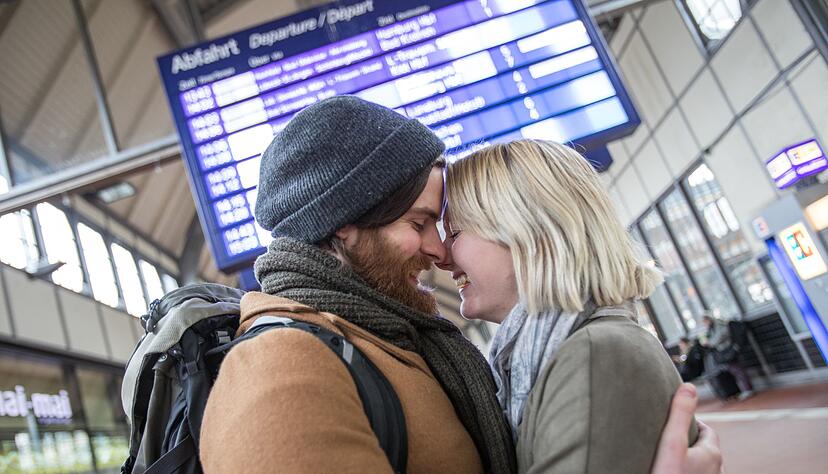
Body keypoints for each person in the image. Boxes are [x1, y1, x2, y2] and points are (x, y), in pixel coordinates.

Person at [199, 96, 720, 473]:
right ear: (344, 226)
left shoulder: (384, 341)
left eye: (448, 228)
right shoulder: (283, 367)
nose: (439, 251)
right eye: (419, 224)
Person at [440, 139, 702, 473]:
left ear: (530, 230)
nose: (443, 257)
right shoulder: (556, 354)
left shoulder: (594, 355)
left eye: (455, 232)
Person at [703, 313, 754, 399]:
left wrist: (710, 343)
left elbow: (721, 336)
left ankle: (747, 389)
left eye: (705, 322)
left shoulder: (719, 324)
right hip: (725, 351)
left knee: (737, 369)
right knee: (735, 370)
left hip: (728, 350)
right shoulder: (712, 327)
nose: (705, 324)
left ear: (708, 320)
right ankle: (745, 389)